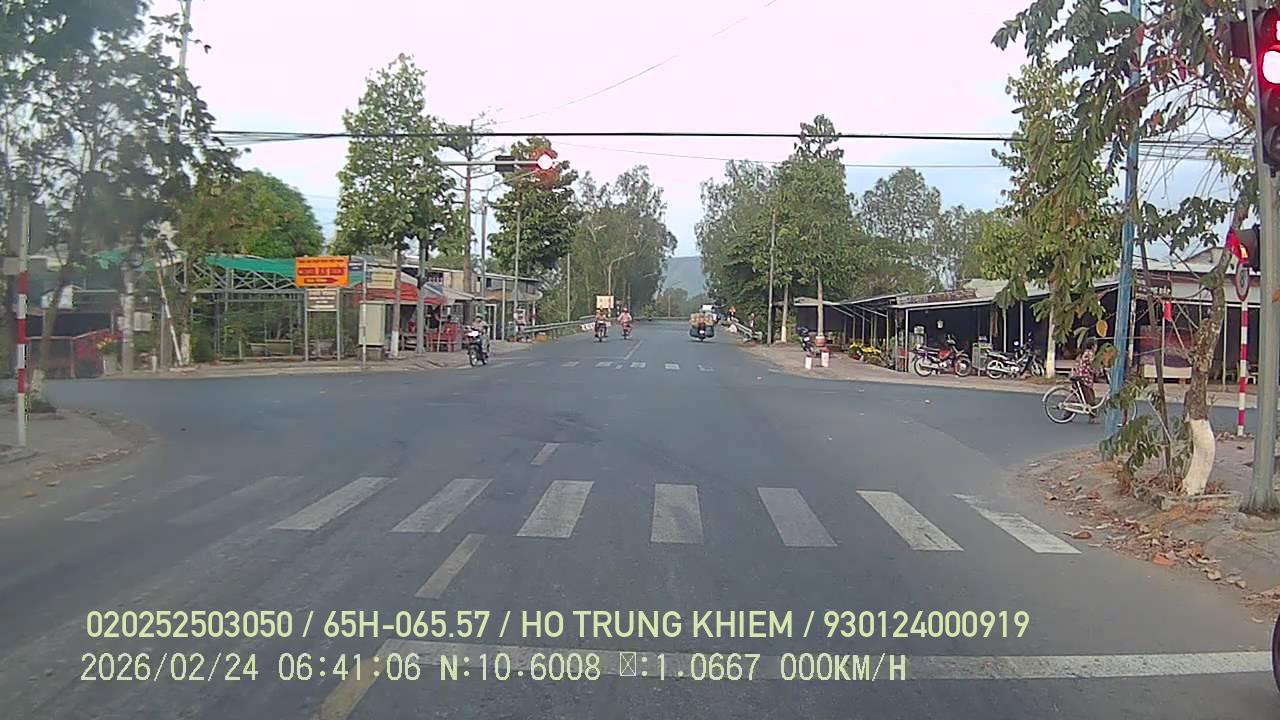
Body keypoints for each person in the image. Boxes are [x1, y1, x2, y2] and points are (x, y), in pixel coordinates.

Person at [1073, 337, 1099, 422]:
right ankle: (1093, 417)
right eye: (1096, 345)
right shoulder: (1090, 353)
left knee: (1079, 398)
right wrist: (1099, 371)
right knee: (1090, 398)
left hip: (1081, 376)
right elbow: (1093, 365)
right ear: (1092, 346)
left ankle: (1067, 415)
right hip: (1084, 378)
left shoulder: (1085, 352)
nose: (1096, 347)